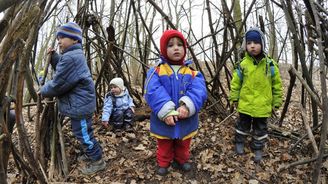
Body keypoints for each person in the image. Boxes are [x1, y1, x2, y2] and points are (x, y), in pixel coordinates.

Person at [40, 22, 106, 175]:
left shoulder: (71, 58)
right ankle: (92, 152)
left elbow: (58, 84)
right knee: (83, 132)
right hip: (80, 105)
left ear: (75, 40)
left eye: (62, 37)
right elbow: (64, 69)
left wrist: (43, 90)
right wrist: (55, 57)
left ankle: (97, 160)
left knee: (83, 134)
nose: (59, 41)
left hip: (80, 106)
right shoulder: (72, 56)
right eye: (58, 37)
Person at [144, 30, 207, 176]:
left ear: (185, 49)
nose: (176, 48)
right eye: (171, 45)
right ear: (164, 50)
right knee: (164, 143)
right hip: (163, 119)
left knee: (184, 143)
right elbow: (152, 90)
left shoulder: (192, 72)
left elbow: (199, 90)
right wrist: (166, 110)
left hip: (186, 118)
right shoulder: (156, 71)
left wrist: (187, 105)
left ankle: (182, 159)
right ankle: (163, 162)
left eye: (180, 45)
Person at [229, 27, 283, 162]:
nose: (252, 46)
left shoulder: (271, 65)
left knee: (260, 128)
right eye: (249, 43)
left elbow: (277, 85)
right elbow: (236, 83)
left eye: (256, 42)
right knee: (242, 125)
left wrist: (276, 101)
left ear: (262, 44)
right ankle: (240, 141)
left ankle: (257, 147)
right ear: (245, 45)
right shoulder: (243, 65)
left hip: (263, 105)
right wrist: (234, 98)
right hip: (245, 104)